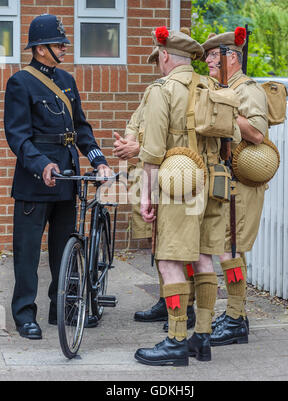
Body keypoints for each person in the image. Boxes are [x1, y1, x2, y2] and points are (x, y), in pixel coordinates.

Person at [4, 14, 111, 340]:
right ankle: (24, 315)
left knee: (65, 247)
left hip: (66, 179)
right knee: (27, 253)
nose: (65, 46)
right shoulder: (20, 82)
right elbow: (18, 136)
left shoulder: (66, 80)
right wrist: (42, 166)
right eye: (58, 42)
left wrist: (99, 161)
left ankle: (62, 309)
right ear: (39, 49)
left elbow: (81, 129)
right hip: (35, 182)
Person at [134, 27, 236, 366]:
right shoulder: (210, 86)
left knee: (170, 259)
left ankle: (176, 341)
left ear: (164, 56)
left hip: (181, 181)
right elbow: (230, 134)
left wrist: (147, 196)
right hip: (213, 182)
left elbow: (151, 151)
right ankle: (202, 338)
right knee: (205, 257)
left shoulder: (162, 90)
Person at [113, 43, 196, 330]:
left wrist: (138, 147)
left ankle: (184, 311)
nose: (157, 66)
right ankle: (168, 301)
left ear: (165, 57)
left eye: (158, 59)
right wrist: (129, 143)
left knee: (177, 247)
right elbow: (135, 122)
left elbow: (169, 138)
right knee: (158, 241)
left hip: (176, 178)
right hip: (156, 174)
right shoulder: (156, 91)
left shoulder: (178, 89)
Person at [201, 29, 268, 346]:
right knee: (227, 251)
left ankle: (236, 318)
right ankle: (234, 315)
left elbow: (256, 132)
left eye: (215, 55)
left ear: (232, 58)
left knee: (231, 252)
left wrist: (226, 107)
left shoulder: (248, 90)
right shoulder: (225, 88)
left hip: (242, 185)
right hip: (225, 184)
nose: (210, 61)